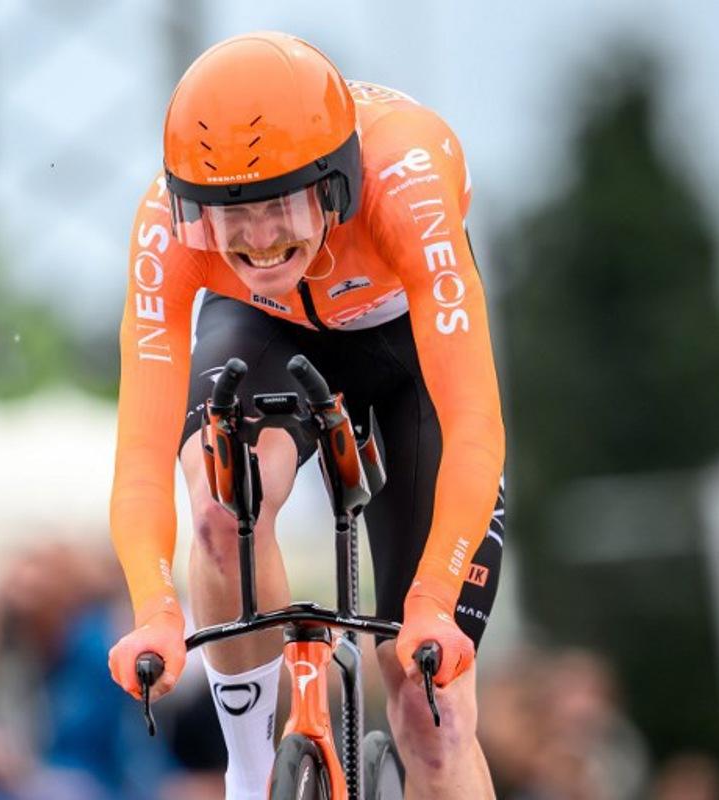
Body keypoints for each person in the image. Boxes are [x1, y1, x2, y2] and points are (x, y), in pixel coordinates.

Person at [106, 32, 506, 799]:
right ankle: (251, 778)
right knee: (225, 505)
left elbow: (475, 426)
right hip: (262, 330)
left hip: (406, 360)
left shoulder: (406, 176)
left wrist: (429, 603)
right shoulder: (164, 222)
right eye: (230, 216)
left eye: (280, 207)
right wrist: (155, 609)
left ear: (337, 182)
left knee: (431, 708)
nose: (257, 241)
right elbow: (140, 455)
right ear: (193, 204)